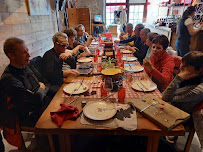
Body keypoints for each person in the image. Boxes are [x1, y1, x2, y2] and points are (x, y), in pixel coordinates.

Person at [1, 37, 52, 125]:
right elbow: (36, 100)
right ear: (11, 56)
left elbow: (45, 82)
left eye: (27, 51)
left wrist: (41, 90)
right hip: (31, 114)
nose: (29, 55)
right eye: (24, 52)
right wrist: (41, 88)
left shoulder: (27, 66)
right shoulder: (8, 78)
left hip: (44, 101)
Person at [162, 51, 203, 151]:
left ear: (199, 70)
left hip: (182, 116)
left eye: (185, 67)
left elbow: (165, 97)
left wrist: (178, 78)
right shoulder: (189, 78)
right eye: (181, 64)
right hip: (174, 107)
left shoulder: (198, 89)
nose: (181, 68)